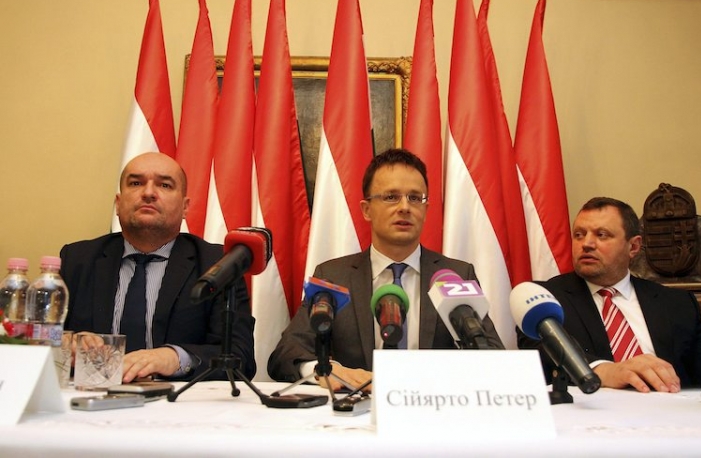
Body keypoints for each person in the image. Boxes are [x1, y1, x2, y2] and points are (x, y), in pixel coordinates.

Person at [267, 148, 504, 390]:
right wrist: (324, 370)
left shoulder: (455, 276)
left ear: (425, 210)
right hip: (359, 409)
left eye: (415, 198)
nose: (405, 207)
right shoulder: (335, 276)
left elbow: (493, 355)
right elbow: (286, 354)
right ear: (366, 210)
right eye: (391, 197)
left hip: (433, 404)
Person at [61, 152, 256, 383]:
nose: (148, 193)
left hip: (177, 401)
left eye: (164, 185)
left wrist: (175, 358)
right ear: (118, 203)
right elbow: (36, 340)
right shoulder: (77, 260)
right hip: (93, 393)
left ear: (185, 207)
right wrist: (65, 343)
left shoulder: (218, 265)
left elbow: (240, 357)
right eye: (136, 183)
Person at [517, 196, 701, 393]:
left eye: (601, 235)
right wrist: (605, 371)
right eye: (579, 234)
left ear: (633, 246)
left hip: (670, 409)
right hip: (591, 412)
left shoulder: (677, 303)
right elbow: (542, 354)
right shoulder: (543, 300)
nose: (586, 244)